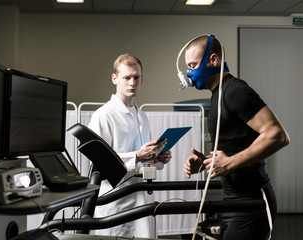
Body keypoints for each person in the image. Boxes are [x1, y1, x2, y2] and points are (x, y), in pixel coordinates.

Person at [181, 35, 290, 240]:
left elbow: (278, 135)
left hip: (251, 202)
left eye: (193, 65)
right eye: (188, 67)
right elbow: (236, 143)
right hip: (232, 198)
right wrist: (204, 162)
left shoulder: (235, 91)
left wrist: (230, 162)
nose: (189, 73)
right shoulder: (218, 95)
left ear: (213, 60)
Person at [88, 53, 172, 238]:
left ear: (142, 79)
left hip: (141, 197)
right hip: (115, 200)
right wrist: (137, 156)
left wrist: (156, 158)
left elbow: (144, 162)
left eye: (136, 77)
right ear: (115, 78)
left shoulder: (142, 116)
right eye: (127, 77)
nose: (132, 82)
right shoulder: (103, 116)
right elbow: (99, 162)